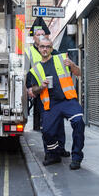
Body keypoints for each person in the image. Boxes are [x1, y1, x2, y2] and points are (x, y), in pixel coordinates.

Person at [29, 37, 85, 170]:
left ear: (51, 48)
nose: (45, 49)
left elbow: (79, 73)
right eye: (42, 46)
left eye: (48, 47)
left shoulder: (61, 59)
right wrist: (42, 86)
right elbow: (33, 90)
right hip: (51, 104)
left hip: (68, 100)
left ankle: (76, 157)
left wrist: (72, 65)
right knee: (47, 132)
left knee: (78, 122)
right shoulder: (35, 69)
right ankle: (54, 155)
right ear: (38, 48)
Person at [25, 19, 69, 157]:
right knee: (47, 125)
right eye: (38, 34)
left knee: (59, 124)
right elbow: (26, 72)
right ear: (33, 37)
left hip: (56, 93)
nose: (41, 36)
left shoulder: (53, 51)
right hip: (40, 92)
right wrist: (28, 89)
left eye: (43, 34)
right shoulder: (29, 52)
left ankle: (60, 148)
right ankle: (50, 151)